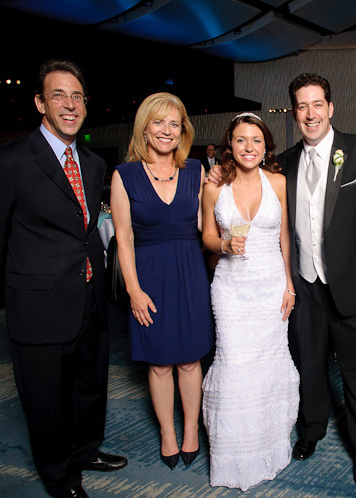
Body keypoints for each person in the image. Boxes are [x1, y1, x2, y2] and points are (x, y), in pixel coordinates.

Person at [0, 60, 126, 498]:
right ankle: (60, 477)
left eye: (77, 96)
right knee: (46, 400)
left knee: (90, 385)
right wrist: (16, 294)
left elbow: (86, 228)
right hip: (37, 305)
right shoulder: (8, 161)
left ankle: (86, 451)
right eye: (59, 95)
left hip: (90, 298)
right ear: (40, 103)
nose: (70, 104)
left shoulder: (93, 163)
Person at [280, 73, 356, 492]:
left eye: (317, 105)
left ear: (331, 108)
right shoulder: (287, 162)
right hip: (305, 285)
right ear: (294, 113)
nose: (310, 114)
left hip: (353, 285)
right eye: (301, 107)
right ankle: (311, 430)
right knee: (308, 364)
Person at [110, 92, 213, 470]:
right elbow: (124, 238)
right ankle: (167, 434)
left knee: (189, 360)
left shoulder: (196, 170)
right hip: (149, 276)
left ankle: (190, 430)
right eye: (158, 122)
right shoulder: (125, 175)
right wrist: (133, 290)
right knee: (158, 364)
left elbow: (206, 227)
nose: (166, 130)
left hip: (190, 273)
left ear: (183, 129)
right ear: (144, 127)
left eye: (174, 123)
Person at [200, 112, 299, 491]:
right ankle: (233, 454)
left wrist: (289, 284)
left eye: (256, 140)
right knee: (234, 363)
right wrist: (224, 244)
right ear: (231, 145)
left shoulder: (278, 182)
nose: (249, 147)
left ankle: (270, 447)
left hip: (270, 285)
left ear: (266, 146)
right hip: (231, 288)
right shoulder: (214, 187)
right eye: (241, 140)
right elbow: (208, 236)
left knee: (267, 365)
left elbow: (285, 237)